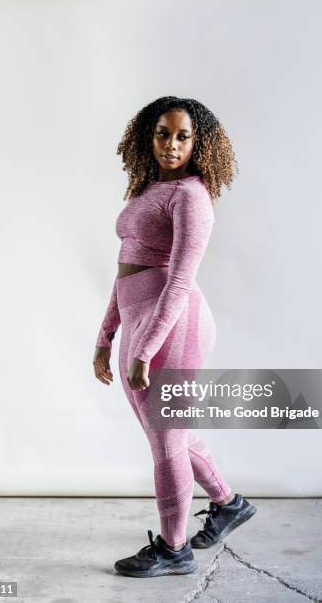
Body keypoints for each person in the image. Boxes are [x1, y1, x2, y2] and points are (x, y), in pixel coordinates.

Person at [93, 96, 257, 578]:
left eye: (183, 136)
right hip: (140, 317)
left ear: (198, 142)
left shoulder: (191, 196)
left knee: (165, 441)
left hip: (175, 324)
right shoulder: (147, 189)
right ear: (149, 135)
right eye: (163, 133)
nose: (171, 144)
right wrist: (107, 335)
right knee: (168, 433)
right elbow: (125, 268)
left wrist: (144, 348)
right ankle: (228, 504)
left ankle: (174, 547)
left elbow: (180, 280)